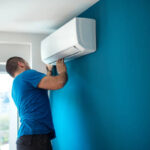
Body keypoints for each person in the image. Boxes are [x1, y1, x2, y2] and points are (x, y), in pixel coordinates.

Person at [6, 56, 68, 150]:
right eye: (26, 62)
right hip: (34, 138)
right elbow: (59, 82)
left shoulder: (15, 87)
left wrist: (49, 71)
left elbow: (43, 86)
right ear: (20, 64)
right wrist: (62, 71)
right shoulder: (27, 75)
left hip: (27, 139)